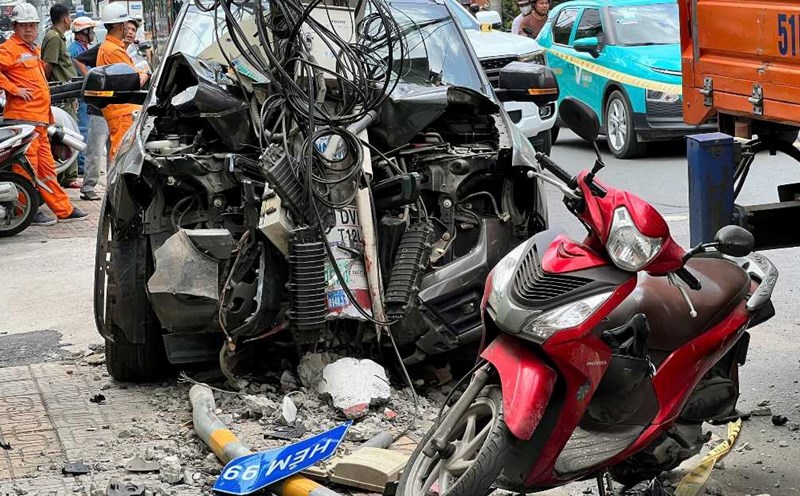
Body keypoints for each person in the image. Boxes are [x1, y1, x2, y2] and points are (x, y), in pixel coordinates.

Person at [0, 3, 87, 225]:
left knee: (47, 169)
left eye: (32, 25)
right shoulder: (9, 49)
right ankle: (25, 210)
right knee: (25, 169)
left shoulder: (33, 50)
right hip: (22, 121)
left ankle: (63, 209)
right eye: (24, 26)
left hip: (38, 121)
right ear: (15, 27)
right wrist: (13, 89)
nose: (29, 29)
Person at [97, 2, 149, 163]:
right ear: (121, 26)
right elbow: (134, 82)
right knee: (122, 156)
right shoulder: (114, 51)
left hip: (120, 111)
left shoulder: (109, 47)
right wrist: (146, 73)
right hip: (123, 112)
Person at [41, 3, 82, 189]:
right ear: (65, 18)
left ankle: (68, 175)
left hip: (67, 94)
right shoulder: (53, 38)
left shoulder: (59, 38)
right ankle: (68, 176)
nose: (70, 20)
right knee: (67, 137)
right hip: (60, 96)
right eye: (69, 17)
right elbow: (47, 66)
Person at [69, 16, 105, 201]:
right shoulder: (77, 50)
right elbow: (79, 64)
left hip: (106, 106)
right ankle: (85, 174)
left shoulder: (85, 48)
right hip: (92, 101)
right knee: (88, 136)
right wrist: (90, 78)